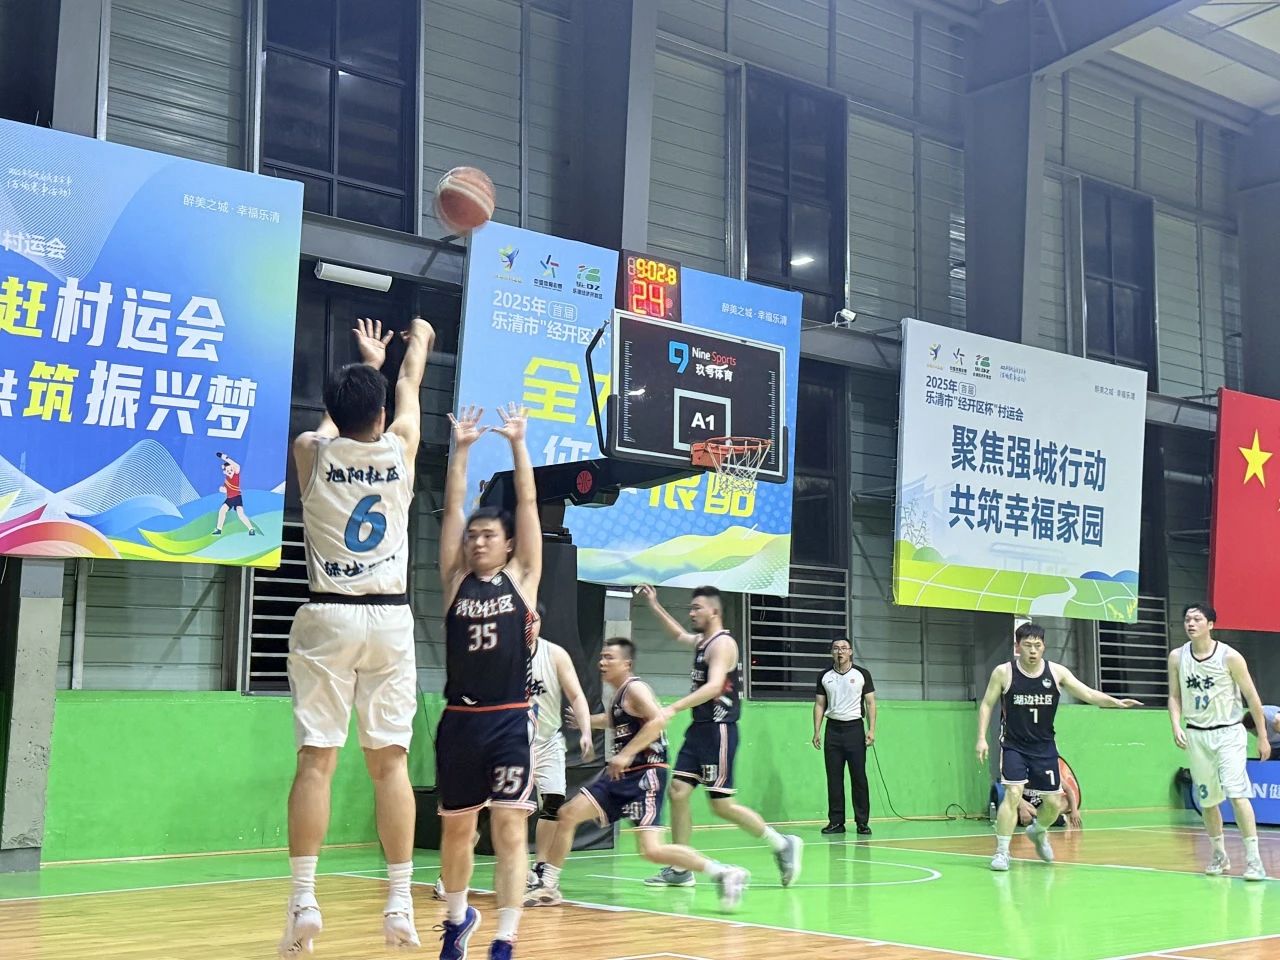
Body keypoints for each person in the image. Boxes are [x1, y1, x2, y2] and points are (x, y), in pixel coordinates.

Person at [279, 316, 432, 956]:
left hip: (328, 614)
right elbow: (410, 386)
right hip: (390, 618)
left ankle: (304, 901)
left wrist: (361, 369)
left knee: (317, 758)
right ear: (380, 414)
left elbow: (325, 429)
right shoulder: (401, 448)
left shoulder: (311, 451)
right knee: (389, 762)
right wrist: (414, 342)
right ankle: (399, 904)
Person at [523, 639, 751, 911]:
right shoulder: (620, 694)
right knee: (568, 814)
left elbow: (658, 720)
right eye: (602, 657)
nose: (602, 662)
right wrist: (587, 722)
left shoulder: (636, 688)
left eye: (609, 657)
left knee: (652, 850)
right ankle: (549, 885)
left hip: (645, 775)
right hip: (620, 777)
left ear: (626, 664)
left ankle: (723, 873)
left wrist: (627, 753)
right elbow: (616, 720)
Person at [436, 402, 542, 960]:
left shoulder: (522, 578)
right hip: (459, 722)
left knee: (509, 828)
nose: (477, 542)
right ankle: (457, 922)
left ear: (507, 544)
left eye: (488, 536)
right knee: (457, 831)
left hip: (508, 720)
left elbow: (527, 503)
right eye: (472, 536)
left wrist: (518, 445)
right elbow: (453, 505)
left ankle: (505, 937)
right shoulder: (455, 580)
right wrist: (462, 449)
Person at [635, 584, 803, 888]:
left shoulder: (722, 644)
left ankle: (782, 844)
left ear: (714, 611)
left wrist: (673, 707)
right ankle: (681, 867)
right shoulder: (703, 641)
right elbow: (678, 635)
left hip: (719, 730)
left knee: (721, 804)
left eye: (696, 608)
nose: (691, 613)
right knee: (678, 791)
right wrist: (654, 604)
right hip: (699, 730)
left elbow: (713, 687)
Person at [976, 621, 1140, 872]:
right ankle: (1002, 852)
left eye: (1037, 645)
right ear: (1017, 647)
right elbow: (987, 704)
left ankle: (1038, 830)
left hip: (1044, 747)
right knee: (1013, 793)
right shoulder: (1004, 672)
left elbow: (1088, 694)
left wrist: (1115, 702)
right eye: (1027, 645)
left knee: (1053, 803)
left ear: (1044, 647)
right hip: (1013, 745)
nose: (1033, 650)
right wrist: (981, 738)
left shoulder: (1056, 672)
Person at [1168, 602, 1270, 881]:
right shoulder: (1177, 657)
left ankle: (1254, 860)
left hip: (1229, 733)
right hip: (1197, 734)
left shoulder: (1230, 657)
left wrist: (1262, 736)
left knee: (1237, 794)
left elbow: (1252, 698)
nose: (1191, 623)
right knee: (1208, 800)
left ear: (1210, 624)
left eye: (1197, 619)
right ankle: (1218, 854)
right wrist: (1175, 724)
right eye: (1187, 619)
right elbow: (1174, 695)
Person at [527, 603, 595, 887]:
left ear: (540, 623)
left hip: (547, 741)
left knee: (554, 802)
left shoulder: (554, 654)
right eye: (523, 620)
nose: (528, 625)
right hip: (510, 742)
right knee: (489, 809)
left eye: (533, 620)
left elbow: (577, 696)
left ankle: (540, 866)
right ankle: (452, 874)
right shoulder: (503, 654)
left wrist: (586, 731)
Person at [812, 637, 876, 835]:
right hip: (833, 730)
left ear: (850, 652)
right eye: (836, 648)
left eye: (844, 648)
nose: (840, 652)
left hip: (855, 729)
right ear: (832, 652)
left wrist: (871, 730)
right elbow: (820, 704)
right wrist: (817, 730)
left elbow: (870, 703)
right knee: (834, 778)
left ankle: (862, 822)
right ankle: (836, 822)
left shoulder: (862, 674)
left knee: (859, 777)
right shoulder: (824, 676)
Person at [213, 451, 257, 535]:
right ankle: (219, 529)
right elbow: (225, 490)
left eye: (231, 469)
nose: (230, 471)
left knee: (240, 514)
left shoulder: (236, 475)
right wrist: (222, 489)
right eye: (227, 470)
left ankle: (251, 529)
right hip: (229, 499)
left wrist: (225, 458)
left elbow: (237, 466)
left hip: (237, 498)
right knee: (222, 511)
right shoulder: (226, 480)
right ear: (224, 472)